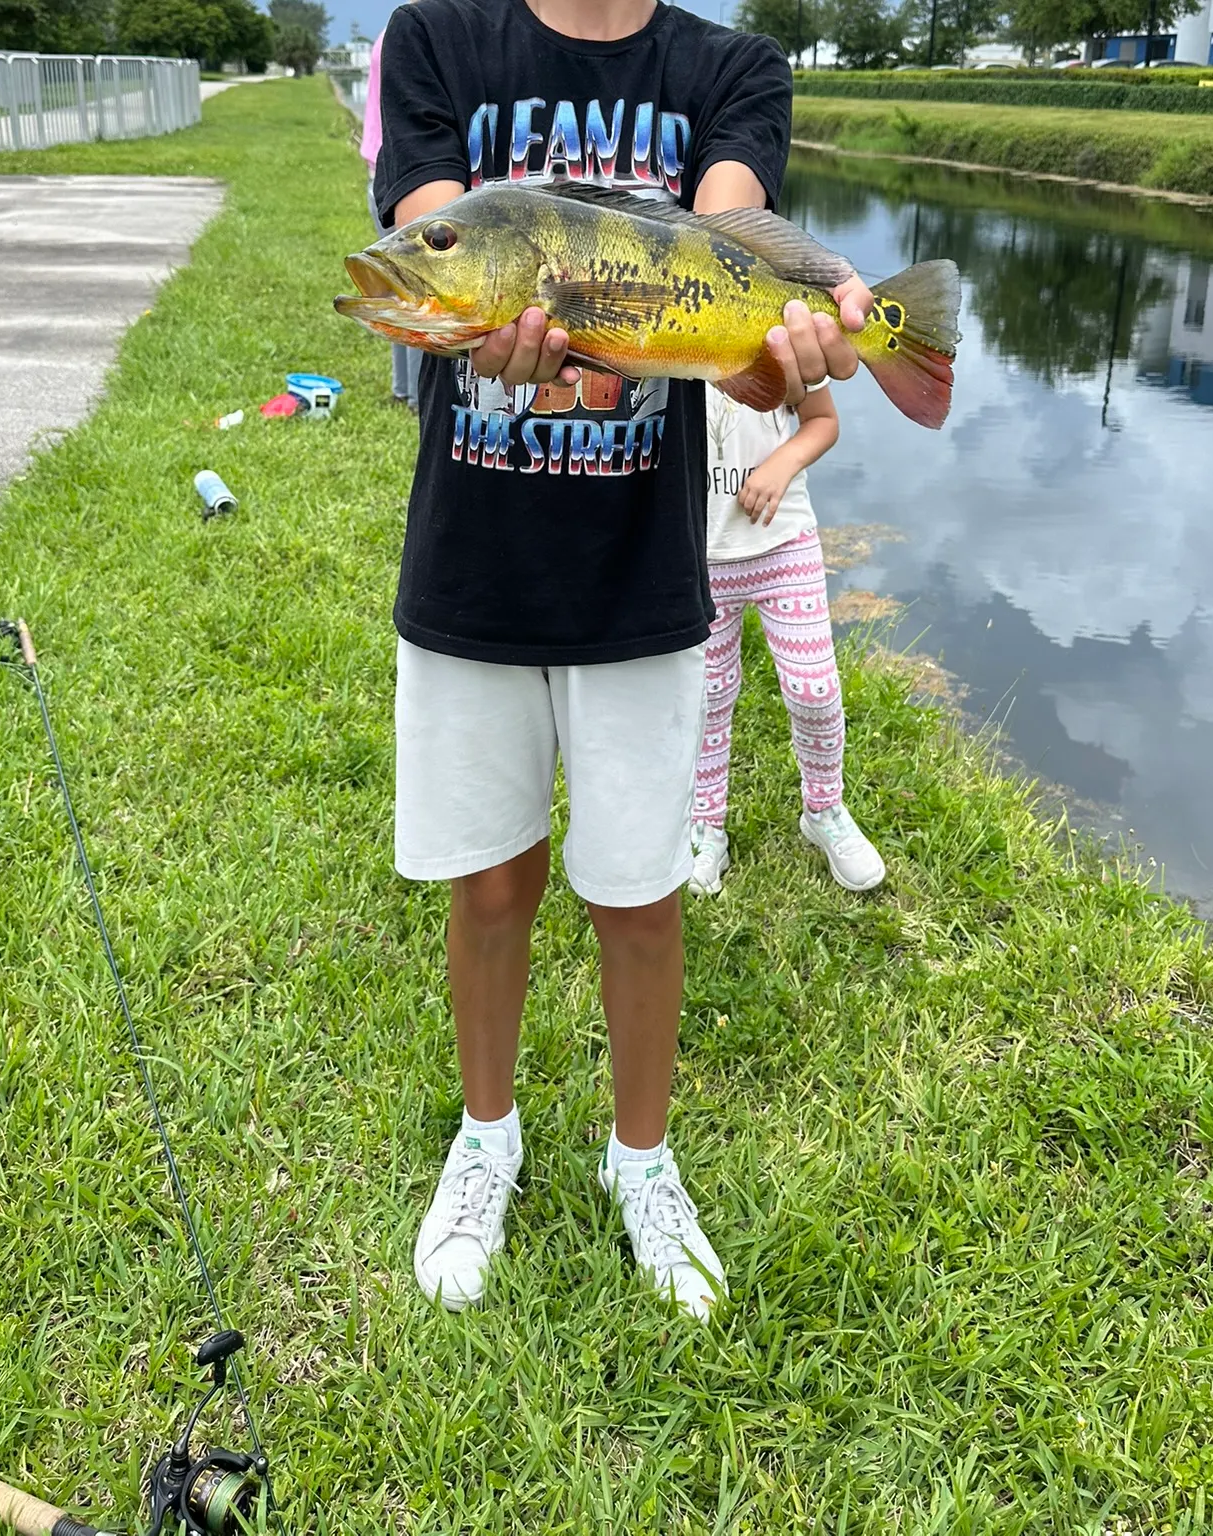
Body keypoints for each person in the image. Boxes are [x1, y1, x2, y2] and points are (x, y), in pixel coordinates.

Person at [375, 0, 878, 1320]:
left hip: (648, 583)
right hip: (472, 569)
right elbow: (433, 236)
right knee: (488, 887)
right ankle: (489, 1139)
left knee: (640, 893)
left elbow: (743, 323)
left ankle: (640, 1160)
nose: (417, 259)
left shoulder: (733, 70)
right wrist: (464, 289)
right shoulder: (435, 39)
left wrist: (800, 341)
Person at [689, 384, 886, 898]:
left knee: (813, 688)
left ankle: (824, 809)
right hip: (696, 552)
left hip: (784, 543)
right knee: (707, 697)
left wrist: (782, 463)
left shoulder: (782, 321)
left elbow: (822, 418)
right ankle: (706, 824)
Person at [359, 12, 422, 412]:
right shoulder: (416, 32)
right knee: (422, 296)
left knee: (397, 293)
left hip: (376, 176)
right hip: (398, 186)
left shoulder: (388, 31)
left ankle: (402, 388)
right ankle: (417, 396)